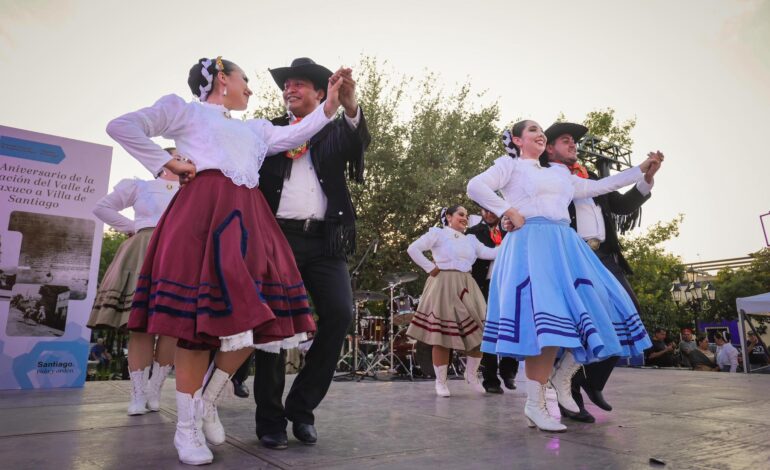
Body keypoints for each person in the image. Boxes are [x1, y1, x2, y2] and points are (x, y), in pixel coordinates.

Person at [108, 56, 344, 465]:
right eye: (244, 79)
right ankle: (186, 428)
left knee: (258, 320)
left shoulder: (255, 129)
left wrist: (332, 104)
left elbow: (299, 131)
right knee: (196, 328)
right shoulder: (185, 111)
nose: (250, 88)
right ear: (221, 78)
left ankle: (207, 401)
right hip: (202, 216)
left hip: (250, 221)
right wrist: (167, 162)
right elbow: (122, 126)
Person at [467, 119, 659, 432]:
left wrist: (641, 170)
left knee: (601, 307)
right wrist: (507, 211)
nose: (539, 134)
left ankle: (561, 377)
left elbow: (599, 187)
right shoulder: (509, 165)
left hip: (564, 245)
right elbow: (476, 186)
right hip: (531, 245)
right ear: (517, 140)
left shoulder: (560, 173)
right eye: (532, 130)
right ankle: (535, 404)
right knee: (545, 327)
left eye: (541, 130)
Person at [253, 57, 370, 450]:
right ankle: (270, 420)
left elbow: (358, 143)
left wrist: (350, 106)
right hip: (276, 239)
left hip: (325, 241)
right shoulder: (268, 131)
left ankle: (301, 408)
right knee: (273, 327)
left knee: (340, 314)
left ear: (322, 93)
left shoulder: (333, 130)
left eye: (299, 83)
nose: (290, 89)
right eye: (287, 84)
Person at [539, 121, 658, 423]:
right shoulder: (547, 179)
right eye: (566, 140)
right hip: (571, 257)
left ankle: (590, 381)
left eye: (574, 141)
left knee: (628, 314)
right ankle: (566, 388)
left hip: (604, 257)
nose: (574, 144)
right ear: (549, 148)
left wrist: (646, 179)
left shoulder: (590, 178)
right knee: (582, 322)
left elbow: (622, 204)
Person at [88, 148, 180, 416]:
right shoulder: (140, 186)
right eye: (177, 156)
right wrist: (133, 227)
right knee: (139, 325)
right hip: (143, 249)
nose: (183, 160)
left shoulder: (193, 191)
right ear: (161, 161)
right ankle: (137, 394)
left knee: (172, 326)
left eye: (186, 157)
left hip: (179, 252)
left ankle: (155, 390)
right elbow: (102, 207)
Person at [406, 205, 499, 397]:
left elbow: (491, 253)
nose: (465, 218)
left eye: (466, 215)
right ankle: (440, 382)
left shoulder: (471, 239)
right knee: (441, 336)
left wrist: (512, 238)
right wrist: (430, 267)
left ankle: (471, 375)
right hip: (444, 282)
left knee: (481, 331)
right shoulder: (438, 234)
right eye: (460, 214)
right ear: (449, 217)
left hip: (467, 284)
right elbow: (413, 249)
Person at [466, 206, 519, 393]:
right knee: (488, 330)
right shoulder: (473, 232)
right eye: (484, 210)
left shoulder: (512, 229)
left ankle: (509, 371)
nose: (488, 214)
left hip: (510, 283)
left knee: (511, 326)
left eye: (492, 210)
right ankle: (490, 380)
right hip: (485, 286)